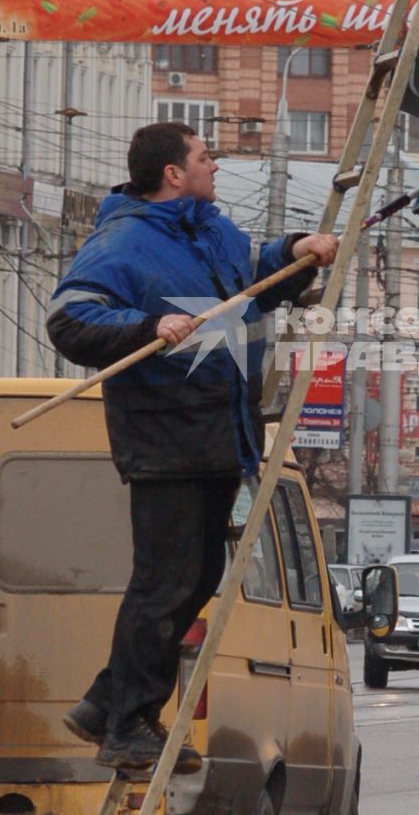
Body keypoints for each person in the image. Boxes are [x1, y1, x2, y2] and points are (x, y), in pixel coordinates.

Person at [46, 120, 338, 774]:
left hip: (220, 434)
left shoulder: (210, 229)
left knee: (199, 576)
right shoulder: (123, 242)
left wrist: (297, 251)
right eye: (205, 157)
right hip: (165, 435)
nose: (214, 165)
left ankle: (105, 703)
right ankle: (125, 726)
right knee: (165, 581)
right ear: (172, 174)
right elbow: (70, 317)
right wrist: (150, 324)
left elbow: (253, 274)